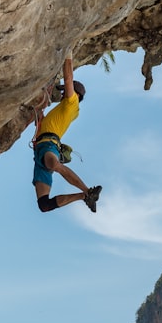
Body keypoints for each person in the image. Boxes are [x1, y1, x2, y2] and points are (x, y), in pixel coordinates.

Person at [32, 51, 101, 213]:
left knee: (55, 165)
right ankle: (85, 196)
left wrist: (67, 54)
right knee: (44, 205)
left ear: (75, 94)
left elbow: (68, 78)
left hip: (49, 145)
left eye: (65, 91)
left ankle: (88, 191)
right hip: (40, 150)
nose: (62, 93)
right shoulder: (65, 109)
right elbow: (42, 121)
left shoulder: (72, 103)